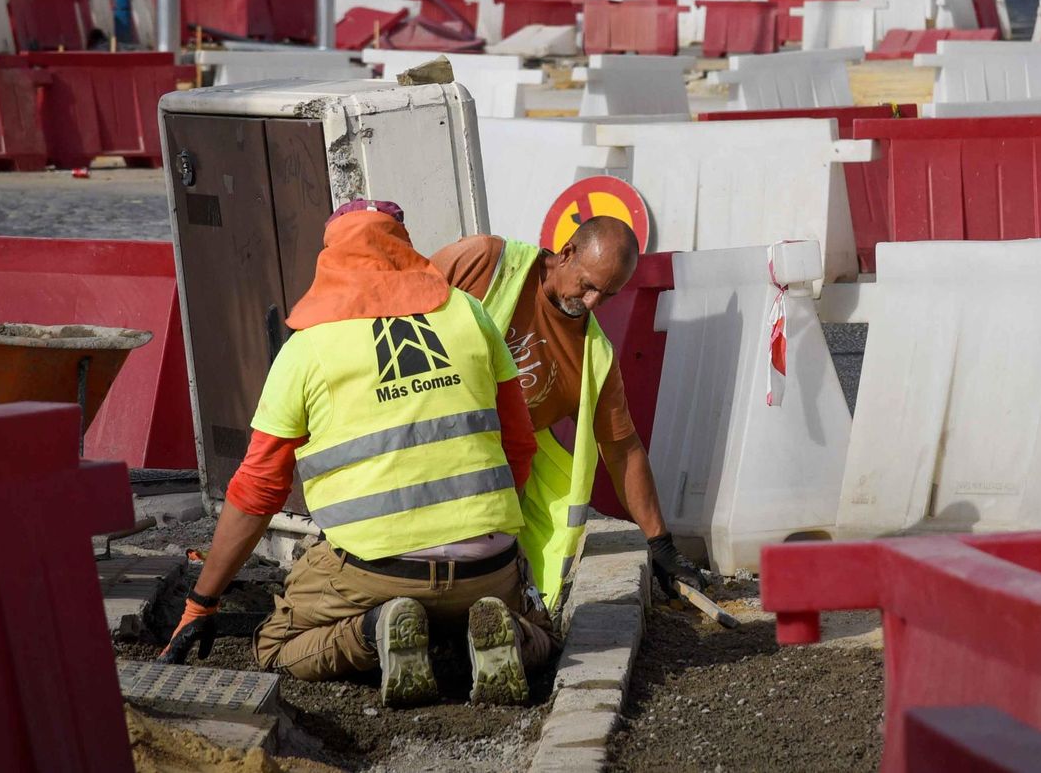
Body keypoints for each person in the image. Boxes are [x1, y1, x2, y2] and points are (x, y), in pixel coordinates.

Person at [159, 200, 554, 708]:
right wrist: (484, 533)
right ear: (403, 247)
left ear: (331, 259)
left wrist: (201, 602)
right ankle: (501, 637)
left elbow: (258, 488)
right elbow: (520, 444)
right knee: (540, 624)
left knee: (276, 645)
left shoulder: (307, 348)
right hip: (487, 567)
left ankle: (375, 629)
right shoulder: (470, 314)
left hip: (377, 572)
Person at [429, 218, 705, 610]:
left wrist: (660, 544)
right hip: (424, 456)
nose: (592, 303)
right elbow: (401, 307)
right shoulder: (488, 262)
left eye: (608, 295)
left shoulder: (594, 358)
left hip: (492, 495)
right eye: (589, 285)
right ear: (567, 252)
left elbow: (622, 449)